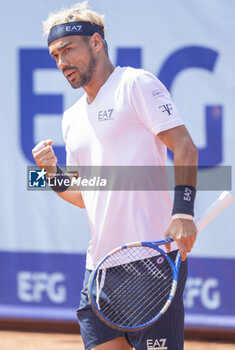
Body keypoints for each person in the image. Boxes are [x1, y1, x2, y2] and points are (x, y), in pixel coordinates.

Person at [32, 2, 198, 350]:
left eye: (67, 50)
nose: (61, 63)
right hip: (100, 267)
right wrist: (52, 173)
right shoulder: (71, 117)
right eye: (54, 56)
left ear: (95, 42)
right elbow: (84, 195)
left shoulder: (134, 84)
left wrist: (183, 212)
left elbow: (184, 145)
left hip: (151, 262)